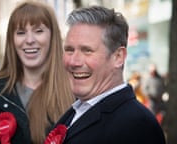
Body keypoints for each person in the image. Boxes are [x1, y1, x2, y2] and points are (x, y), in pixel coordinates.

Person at [45, 6, 166, 144]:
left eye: (87, 51)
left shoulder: (138, 125)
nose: (73, 61)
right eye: (69, 50)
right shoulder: (78, 109)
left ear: (118, 57)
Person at [0, 1, 74, 144]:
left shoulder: (76, 90)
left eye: (38, 31)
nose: (29, 40)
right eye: (21, 32)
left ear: (52, 36)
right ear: (12, 40)